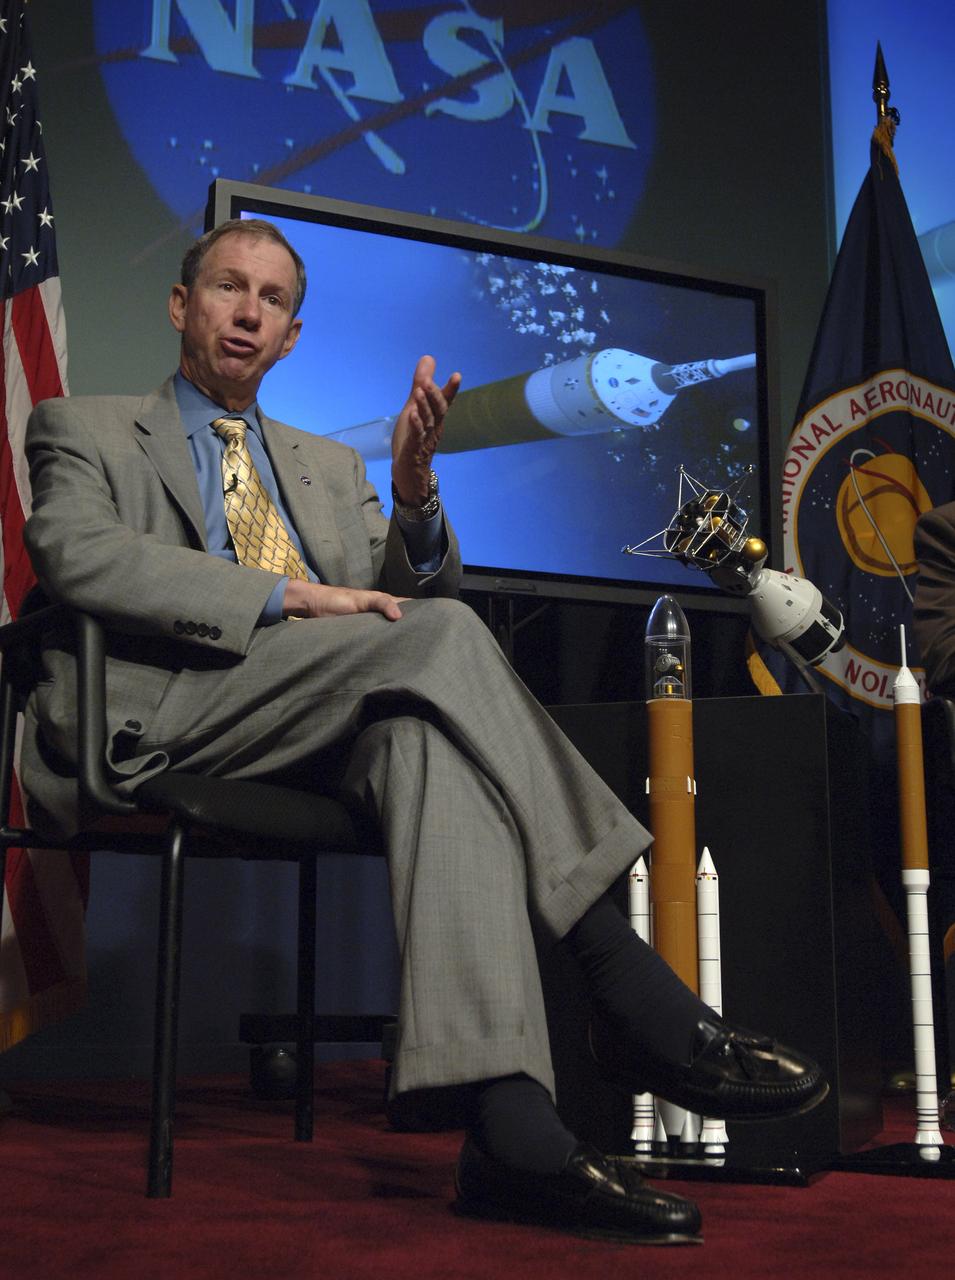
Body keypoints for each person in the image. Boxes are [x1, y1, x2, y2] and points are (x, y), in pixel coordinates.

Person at [21, 218, 826, 1244]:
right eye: (228, 288)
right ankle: (625, 983)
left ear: (292, 336)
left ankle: (511, 1132)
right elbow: (78, 559)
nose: (247, 311)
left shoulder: (325, 464)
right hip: (171, 716)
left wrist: (413, 497)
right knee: (437, 653)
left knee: (431, 742)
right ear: (184, 304)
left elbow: (409, 607)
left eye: (270, 301)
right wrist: (286, 595)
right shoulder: (83, 427)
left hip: (321, 721)